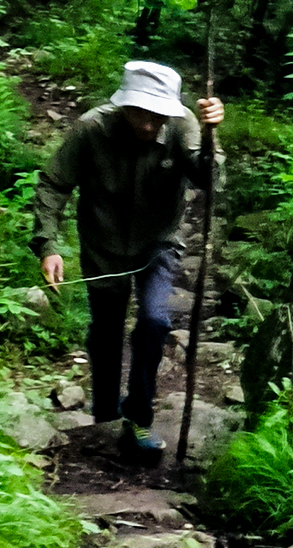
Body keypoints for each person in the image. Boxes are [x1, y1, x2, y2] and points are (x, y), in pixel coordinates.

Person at [32, 59, 224, 462]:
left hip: (158, 242)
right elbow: (54, 184)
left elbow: (208, 179)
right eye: (140, 112)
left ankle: (139, 417)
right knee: (105, 329)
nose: (148, 123)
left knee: (154, 320)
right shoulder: (91, 129)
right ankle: (104, 414)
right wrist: (47, 244)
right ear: (123, 106)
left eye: (157, 114)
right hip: (102, 243)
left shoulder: (184, 124)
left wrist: (211, 138)